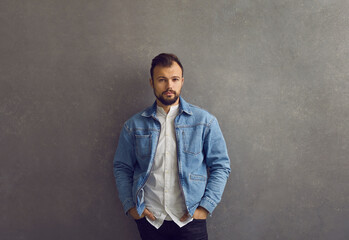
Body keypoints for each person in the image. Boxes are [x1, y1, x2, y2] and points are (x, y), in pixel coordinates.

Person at [113, 53, 230, 240]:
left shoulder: (205, 122)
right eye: (162, 80)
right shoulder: (133, 125)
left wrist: (205, 207)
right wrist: (131, 207)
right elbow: (122, 167)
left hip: (190, 220)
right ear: (152, 82)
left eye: (175, 79)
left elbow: (221, 166)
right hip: (151, 221)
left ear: (182, 81)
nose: (169, 86)